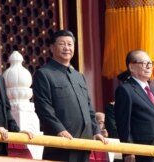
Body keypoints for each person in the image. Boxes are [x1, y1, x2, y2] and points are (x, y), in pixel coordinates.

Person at [33, 29, 107, 162]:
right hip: (60, 140)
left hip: (84, 141)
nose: (67, 48)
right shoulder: (44, 74)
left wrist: (96, 130)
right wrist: (58, 129)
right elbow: (43, 107)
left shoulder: (79, 76)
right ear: (52, 47)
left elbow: (89, 107)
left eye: (70, 44)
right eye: (62, 44)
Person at [114, 50, 154, 162]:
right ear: (131, 67)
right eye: (143, 63)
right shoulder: (125, 90)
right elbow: (123, 124)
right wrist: (129, 151)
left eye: (150, 63)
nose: (148, 66)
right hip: (145, 153)